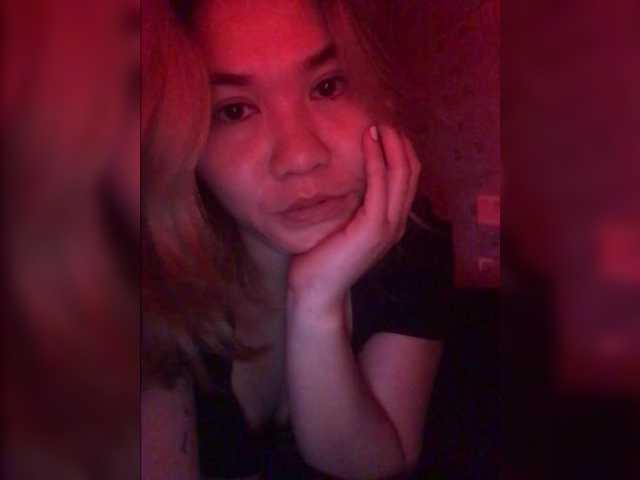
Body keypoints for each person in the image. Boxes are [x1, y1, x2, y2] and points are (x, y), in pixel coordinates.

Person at [142, 0, 452, 478]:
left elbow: (385, 460)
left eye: (327, 87)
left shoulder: (413, 244)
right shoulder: (147, 281)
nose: (300, 156)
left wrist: (316, 304)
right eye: (235, 110)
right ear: (183, 141)